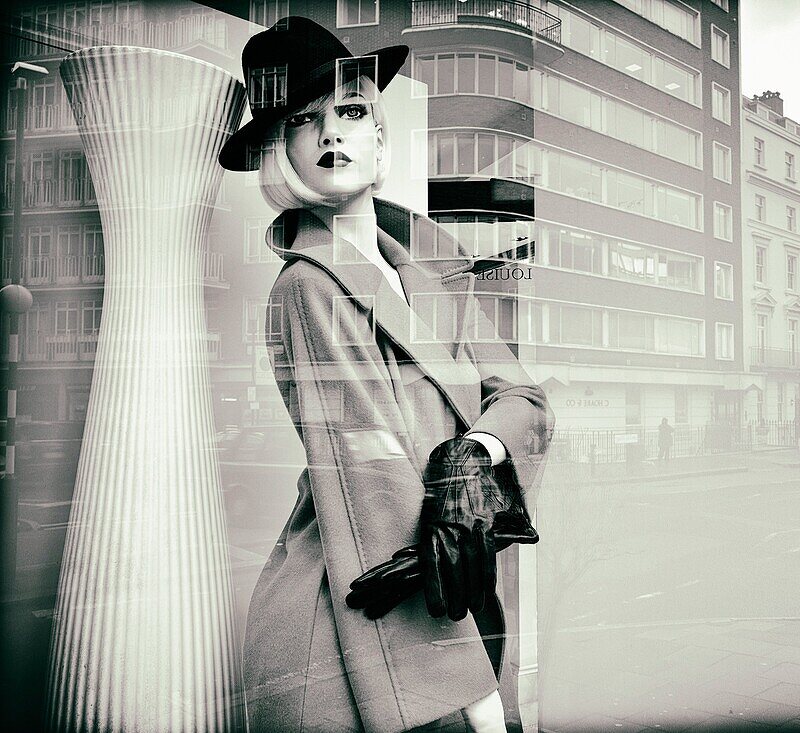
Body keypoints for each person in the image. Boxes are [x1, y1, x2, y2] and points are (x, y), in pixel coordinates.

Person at [218, 17, 554, 733]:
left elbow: (523, 398)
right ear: (283, 152)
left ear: (380, 134)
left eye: (350, 110)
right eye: (304, 121)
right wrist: (480, 697)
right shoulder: (306, 288)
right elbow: (375, 496)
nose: (331, 133)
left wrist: (476, 454)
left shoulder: (425, 272)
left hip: (450, 600)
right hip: (365, 626)